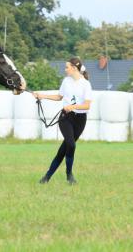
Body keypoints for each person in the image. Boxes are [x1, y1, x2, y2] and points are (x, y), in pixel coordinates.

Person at [34, 57, 93, 185]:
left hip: (80, 119)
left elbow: (87, 106)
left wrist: (73, 106)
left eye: (67, 67)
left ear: (74, 68)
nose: (65, 69)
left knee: (63, 149)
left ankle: (46, 177)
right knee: (71, 144)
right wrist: (42, 95)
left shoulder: (85, 84)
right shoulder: (66, 81)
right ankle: (69, 174)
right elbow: (59, 97)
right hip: (65, 117)